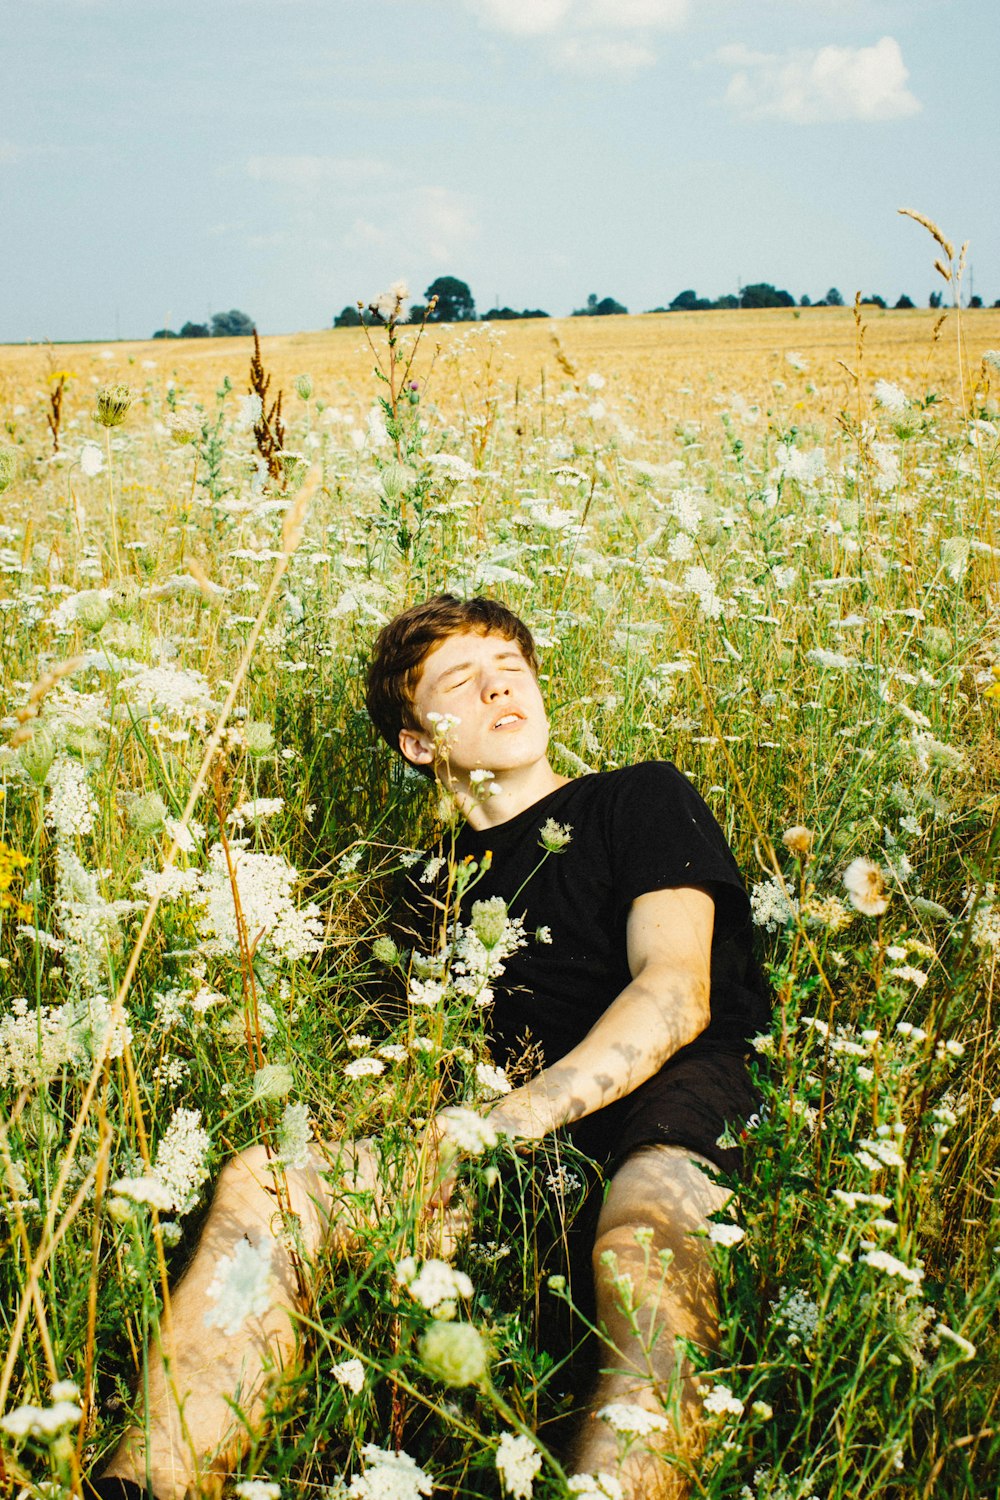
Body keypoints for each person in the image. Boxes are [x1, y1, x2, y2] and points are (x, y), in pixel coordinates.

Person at [91, 594, 768, 1500]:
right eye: (461, 679)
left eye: (510, 668)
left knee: (643, 1244)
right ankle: (152, 1477)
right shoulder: (425, 893)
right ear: (419, 743)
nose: (498, 685)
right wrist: (423, 1176)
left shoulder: (637, 797)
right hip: (507, 1156)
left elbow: (676, 994)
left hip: (666, 1111)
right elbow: (402, 1075)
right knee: (266, 1181)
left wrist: (506, 1123)